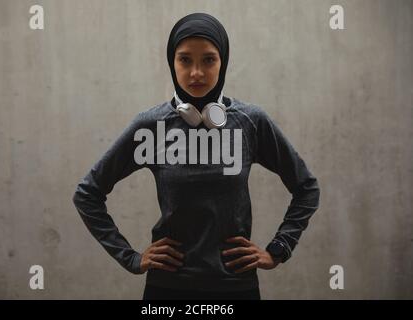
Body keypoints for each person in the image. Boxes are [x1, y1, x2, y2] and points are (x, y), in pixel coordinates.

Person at [72, 13, 320, 300]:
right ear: (171, 62)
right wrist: (130, 257)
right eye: (185, 60)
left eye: (209, 60)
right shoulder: (152, 126)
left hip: (236, 288)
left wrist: (278, 249)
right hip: (168, 290)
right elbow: (87, 193)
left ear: (223, 61)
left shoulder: (250, 122)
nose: (196, 73)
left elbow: (306, 188)